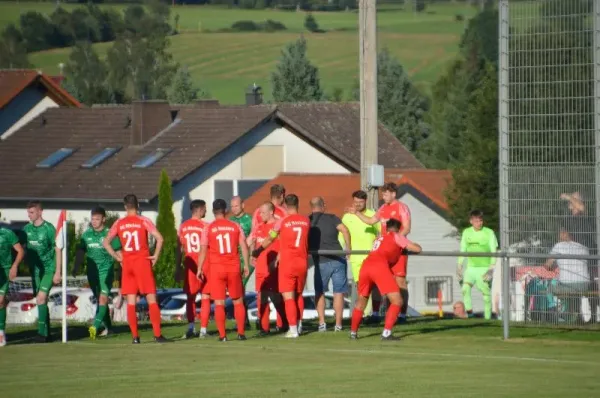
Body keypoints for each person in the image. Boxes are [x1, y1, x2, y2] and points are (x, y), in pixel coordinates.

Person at [103, 194, 167, 344]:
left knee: (131, 301)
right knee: (151, 299)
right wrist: (156, 255)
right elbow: (160, 238)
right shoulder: (143, 220)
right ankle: (157, 335)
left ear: (125, 206)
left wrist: (116, 256)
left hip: (128, 264)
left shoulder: (119, 223)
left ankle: (135, 337)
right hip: (142, 262)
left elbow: (106, 242)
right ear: (137, 205)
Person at [347, 182, 411, 323]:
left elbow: (406, 228)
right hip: (384, 252)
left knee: (400, 281)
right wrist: (357, 213)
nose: (383, 196)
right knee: (383, 282)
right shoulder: (382, 208)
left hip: (398, 250)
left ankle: (402, 315)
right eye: (383, 193)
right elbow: (371, 221)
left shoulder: (402, 207)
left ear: (393, 194)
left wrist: (396, 240)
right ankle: (383, 314)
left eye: (386, 193)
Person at [350, 219, 422, 340]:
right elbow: (417, 249)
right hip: (379, 267)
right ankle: (386, 333)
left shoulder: (379, 238)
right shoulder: (396, 236)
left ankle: (353, 333)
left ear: (386, 228)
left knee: (361, 301)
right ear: (398, 229)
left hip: (365, 266)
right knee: (397, 301)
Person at [255, 194, 309, 339]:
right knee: (299, 295)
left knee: (288, 296)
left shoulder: (282, 222)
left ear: (285, 205)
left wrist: (258, 250)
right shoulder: (305, 220)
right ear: (298, 204)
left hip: (288, 262)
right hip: (302, 261)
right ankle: (299, 324)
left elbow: (270, 238)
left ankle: (293, 330)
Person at [197, 199, 250, 342]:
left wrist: (199, 268)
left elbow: (202, 250)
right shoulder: (235, 225)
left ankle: (223, 336)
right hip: (233, 267)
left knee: (219, 303)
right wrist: (246, 264)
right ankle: (241, 333)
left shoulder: (208, 228)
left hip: (216, 268)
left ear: (214, 211)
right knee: (238, 301)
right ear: (225, 210)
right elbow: (244, 246)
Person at [73, 207, 122, 339]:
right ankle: (109, 328)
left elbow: (118, 252)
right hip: (92, 272)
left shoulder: (110, 234)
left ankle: (94, 327)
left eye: (97, 219)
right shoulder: (86, 234)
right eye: (92, 219)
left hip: (106, 271)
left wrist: (122, 265)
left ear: (103, 219)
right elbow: (81, 250)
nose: (94, 221)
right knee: (101, 301)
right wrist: (76, 266)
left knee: (103, 298)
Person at [308, 196, 351, 332]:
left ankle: (322, 323)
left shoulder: (308, 220)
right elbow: (344, 230)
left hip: (321, 261)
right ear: (323, 205)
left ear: (311, 206)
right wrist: (348, 248)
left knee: (319, 292)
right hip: (338, 258)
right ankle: (338, 324)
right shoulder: (333, 218)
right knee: (339, 292)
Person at [22, 201, 63, 343]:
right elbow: (21, 248)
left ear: (40, 212)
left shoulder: (49, 229)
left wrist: (58, 272)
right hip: (35, 270)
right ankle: (47, 333)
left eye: (32, 212)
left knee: (41, 298)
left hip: (48, 269)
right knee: (41, 301)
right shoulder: (26, 229)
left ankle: (40, 334)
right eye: (28, 212)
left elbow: (58, 249)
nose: (29, 215)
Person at [247, 202, 286, 335]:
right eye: (259, 212)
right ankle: (264, 328)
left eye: (263, 212)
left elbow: (284, 246)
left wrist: (276, 261)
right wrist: (252, 253)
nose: (260, 215)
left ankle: (283, 324)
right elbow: (252, 240)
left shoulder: (278, 226)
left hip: (274, 268)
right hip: (260, 268)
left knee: (276, 297)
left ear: (271, 212)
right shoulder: (258, 226)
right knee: (261, 297)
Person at [340, 190, 380, 319]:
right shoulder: (347, 217)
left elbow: (381, 233)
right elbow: (341, 236)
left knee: (374, 285)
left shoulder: (373, 215)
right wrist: (343, 250)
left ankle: (374, 313)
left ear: (365, 201)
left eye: (360, 202)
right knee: (360, 286)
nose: (357, 204)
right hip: (355, 258)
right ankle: (363, 313)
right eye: (355, 202)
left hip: (371, 257)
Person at [176, 199, 211, 339]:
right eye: (205, 209)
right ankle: (203, 330)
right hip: (205, 263)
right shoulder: (206, 226)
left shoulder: (183, 227)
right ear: (200, 209)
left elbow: (179, 249)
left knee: (190, 297)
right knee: (206, 296)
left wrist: (177, 266)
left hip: (189, 265)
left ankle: (191, 327)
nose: (206, 211)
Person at [457, 210, 498, 320]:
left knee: (485, 295)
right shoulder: (466, 232)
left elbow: (494, 250)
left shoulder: (489, 233)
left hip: (485, 268)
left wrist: (491, 268)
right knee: (465, 289)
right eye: (476, 221)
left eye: (481, 221)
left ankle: (488, 319)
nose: (479, 223)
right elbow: (463, 249)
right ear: (471, 221)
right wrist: (459, 265)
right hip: (471, 268)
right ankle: (470, 316)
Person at [543, 228, 591, 322]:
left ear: (565, 234)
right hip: (585, 285)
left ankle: (552, 310)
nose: (559, 236)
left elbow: (547, 265)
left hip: (568, 285)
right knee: (574, 293)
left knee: (550, 288)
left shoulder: (559, 246)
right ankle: (576, 315)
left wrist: (550, 267)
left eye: (560, 233)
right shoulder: (584, 248)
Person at [229, 196, 253, 329]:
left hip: (246, 259)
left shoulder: (249, 220)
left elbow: (253, 238)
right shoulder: (230, 221)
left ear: (243, 205)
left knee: (240, 287)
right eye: (232, 206)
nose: (234, 209)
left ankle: (244, 320)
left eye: (236, 206)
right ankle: (243, 319)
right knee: (238, 290)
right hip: (234, 260)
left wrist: (250, 258)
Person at [0, 220, 25, 347]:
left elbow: (20, 251)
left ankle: (1, 333)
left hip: (4, 271)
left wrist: (14, 266)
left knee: (0, 301)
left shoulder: (7, 233)